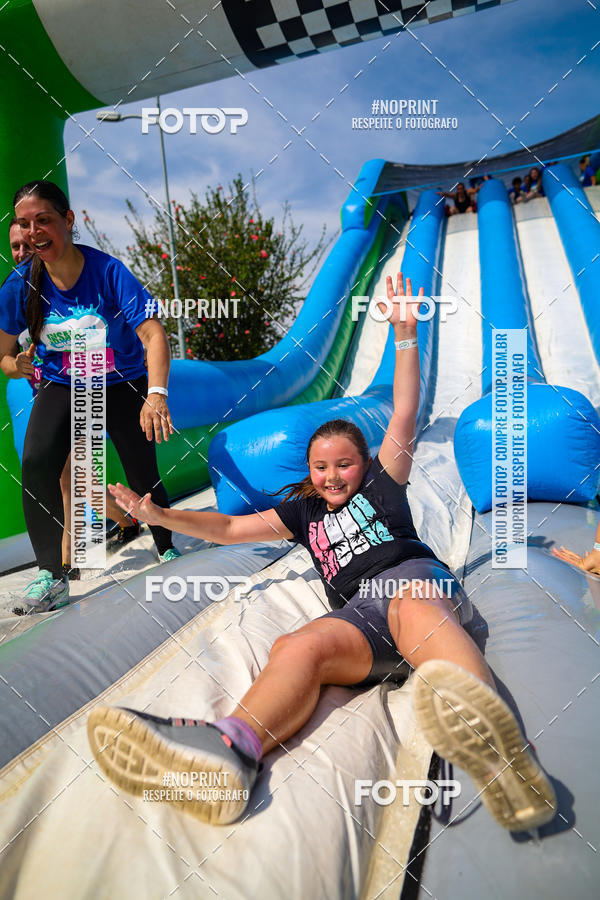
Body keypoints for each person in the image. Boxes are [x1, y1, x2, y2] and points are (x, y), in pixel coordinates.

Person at [87, 272, 557, 833]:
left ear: (365, 465)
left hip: (412, 583)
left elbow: (404, 410)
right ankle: (232, 752)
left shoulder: (385, 484)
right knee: (299, 643)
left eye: (344, 464)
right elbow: (231, 530)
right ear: (308, 474)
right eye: (320, 467)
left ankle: (504, 752)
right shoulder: (303, 514)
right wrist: (163, 517)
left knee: (410, 606)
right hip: (360, 616)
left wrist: (404, 334)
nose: (333, 475)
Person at [0, 180, 181, 614]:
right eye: (23, 224)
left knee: (141, 471)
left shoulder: (108, 272)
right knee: (38, 462)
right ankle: (52, 575)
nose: (32, 232)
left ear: (68, 220)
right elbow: (3, 355)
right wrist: (16, 367)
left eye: (43, 219)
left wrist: (155, 395)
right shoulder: (20, 284)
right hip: (65, 383)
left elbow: (153, 333)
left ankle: (165, 544)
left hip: (122, 381)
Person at [3, 217, 140, 581]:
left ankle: (69, 560)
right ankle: (124, 522)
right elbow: (7, 361)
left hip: (88, 390)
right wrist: (17, 366)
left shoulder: (68, 282)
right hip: (50, 396)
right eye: (15, 246)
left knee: (74, 479)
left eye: (27, 245)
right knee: (71, 480)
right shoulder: (17, 291)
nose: (21, 252)